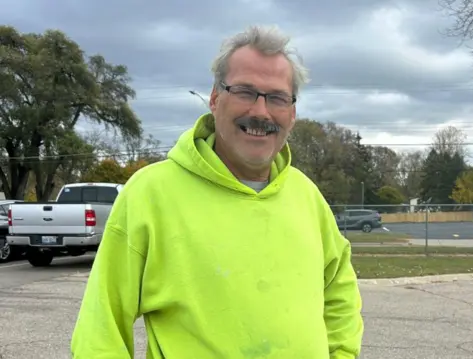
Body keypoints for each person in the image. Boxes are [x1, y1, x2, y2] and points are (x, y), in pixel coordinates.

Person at [70, 25, 364, 358]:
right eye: (244, 91)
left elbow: (339, 290)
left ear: (292, 114)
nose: (260, 111)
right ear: (214, 99)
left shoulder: (307, 197)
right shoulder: (151, 194)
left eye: (277, 97)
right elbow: (101, 329)